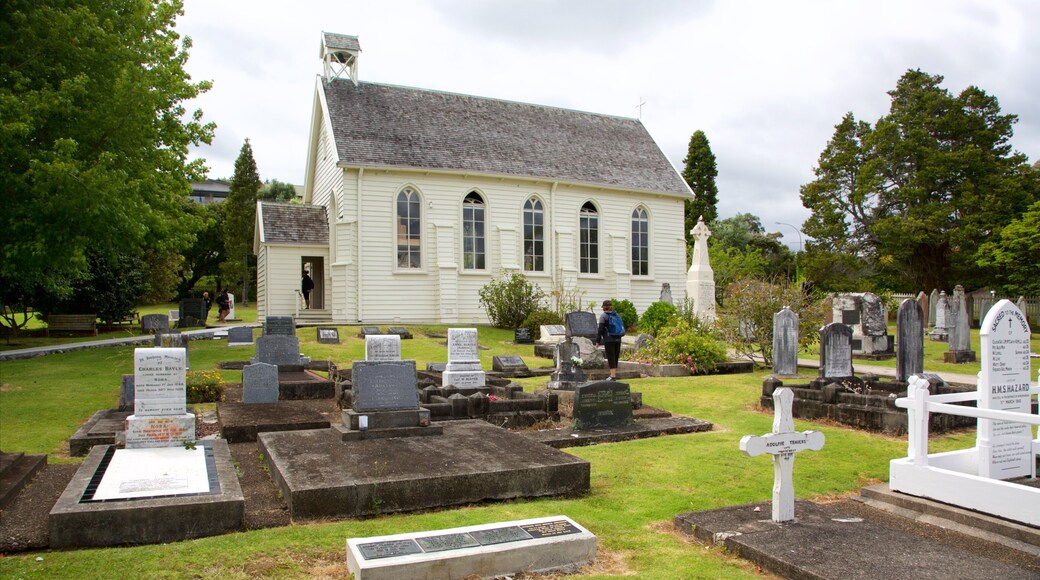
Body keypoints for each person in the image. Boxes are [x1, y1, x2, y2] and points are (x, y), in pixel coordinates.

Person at [596, 299, 623, 381]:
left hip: (609, 339)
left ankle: (612, 375)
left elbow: (600, 329)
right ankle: (614, 374)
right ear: (611, 307)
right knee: (615, 356)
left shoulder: (603, 316)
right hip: (618, 338)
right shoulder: (617, 315)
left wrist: (598, 341)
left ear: (604, 307)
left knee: (610, 357)